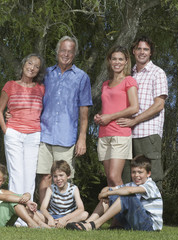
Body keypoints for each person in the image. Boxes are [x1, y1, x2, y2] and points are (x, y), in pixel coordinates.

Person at [37, 36, 93, 204]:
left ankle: (61, 214)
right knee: (45, 176)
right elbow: (32, 97)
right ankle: (42, 214)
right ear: (57, 52)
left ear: (75, 54)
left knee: (63, 179)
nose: (66, 54)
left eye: (70, 51)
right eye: (63, 50)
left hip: (66, 136)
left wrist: (82, 138)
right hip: (43, 133)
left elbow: (84, 111)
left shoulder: (82, 77)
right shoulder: (45, 74)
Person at [0, 53, 45, 225]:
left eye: (36, 66)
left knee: (29, 176)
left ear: (39, 71)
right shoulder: (10, 85)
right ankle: (17, 216)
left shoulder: (41, 88)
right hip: (14, 133)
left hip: (34, 134)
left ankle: (26, 219)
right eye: (29, 63)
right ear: (23, 64)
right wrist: (5, 130)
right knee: (16, 174)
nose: (32, 67)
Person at [117, 36, 168, 191]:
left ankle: (153, 215)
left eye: (146, 49)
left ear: (151, 52)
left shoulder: (157, 73)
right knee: (128, 179)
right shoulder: (128, 75)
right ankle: (130, 215)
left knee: (151, 180)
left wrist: (135, 120)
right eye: (139, 49)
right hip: (127, 135)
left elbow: (159, 105)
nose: (142, 52)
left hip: (148, 134)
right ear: (133, 51)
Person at [66, 155, 163, 231]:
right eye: (133, 172)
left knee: (126, 196)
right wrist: (104, 192)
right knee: (113, 196)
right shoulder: (132, 184)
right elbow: (108, 188)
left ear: (148, 173)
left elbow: (128, 191)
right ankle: (87, 222)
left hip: (149, 226)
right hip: (134, 222)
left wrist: (108, 193)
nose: (136, 175)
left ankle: (94, 225)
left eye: (140, 172)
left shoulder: (150, 185)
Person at [94, 45, 139, 187]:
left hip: (120, 133)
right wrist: (99, 116)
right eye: (114, 59)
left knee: (114, 176)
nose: (117, 62)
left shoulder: (129, 80)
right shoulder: (105, 84)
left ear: (126, 62)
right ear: (109, 60)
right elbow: (107, 107)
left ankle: (129, 208)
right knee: (109, 180)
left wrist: (110, 117)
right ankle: (116, 209)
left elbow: (134, 107)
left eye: (120, 59)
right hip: (104, 134)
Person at [0, 162, 49, 228]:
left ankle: (41, 223)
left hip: (4, 222)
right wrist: (27, 201)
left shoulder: (2, 191)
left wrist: (27, 195)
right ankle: (32, 224)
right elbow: (6, 197)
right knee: (12, 201)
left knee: (17, 200)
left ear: (3, 181)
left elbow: (21, 195)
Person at [40, 160, 88, 228]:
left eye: (61, 175)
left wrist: (64, 219)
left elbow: (81, 208)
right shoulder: (51, 188)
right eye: (55, 176)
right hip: (53, 216)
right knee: (34, 213)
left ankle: (63, 224)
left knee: (84, 214)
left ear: (68, 175)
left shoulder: (74, 189)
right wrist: (50, 218)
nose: (58, 179)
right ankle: (59, 224)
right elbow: (43, 208)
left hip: (68, 217)